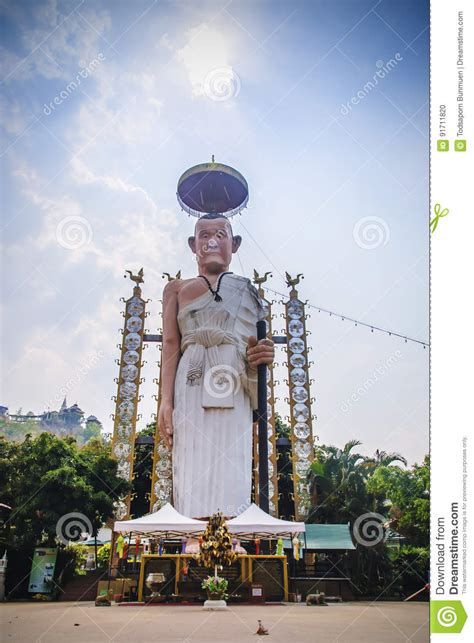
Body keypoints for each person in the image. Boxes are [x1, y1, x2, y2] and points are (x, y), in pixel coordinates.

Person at [158, 213, 274, 518]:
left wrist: (260, 356)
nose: (211, 242)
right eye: (204, 235)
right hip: (192, 377)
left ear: (234, 244)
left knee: (231, 455)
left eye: (221, 235)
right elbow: (170, 344)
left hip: (232, 377)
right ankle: (194, 533)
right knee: (191, 453)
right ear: (192, 244)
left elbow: (253, 348)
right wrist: (164, 401)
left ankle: (230, 532)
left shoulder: (246, 290)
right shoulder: (176, 290)